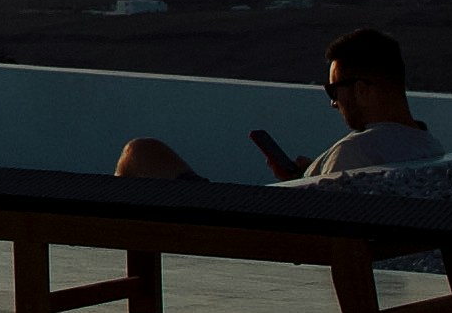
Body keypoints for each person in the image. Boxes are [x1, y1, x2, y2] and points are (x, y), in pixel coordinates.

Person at [114, 29, 433, 191]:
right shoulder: (429, 148)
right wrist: (304, 177)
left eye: (334, 91)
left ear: (363, 90)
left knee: (140, 152)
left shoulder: (357, 152)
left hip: (250, 230)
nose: (334, 103)